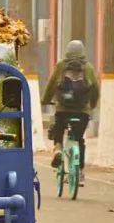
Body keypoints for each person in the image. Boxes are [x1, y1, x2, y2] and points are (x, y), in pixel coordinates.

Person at [42, 39, 99, 178]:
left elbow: (51, 84)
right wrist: (92, 105)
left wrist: (46, 100)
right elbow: (95, 88)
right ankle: (80, 171)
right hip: (82, 111)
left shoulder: (61, 65)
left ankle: (58, 149)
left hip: (63, 109)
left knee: (59, 130)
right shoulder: (88, 67)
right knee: (79, 140)